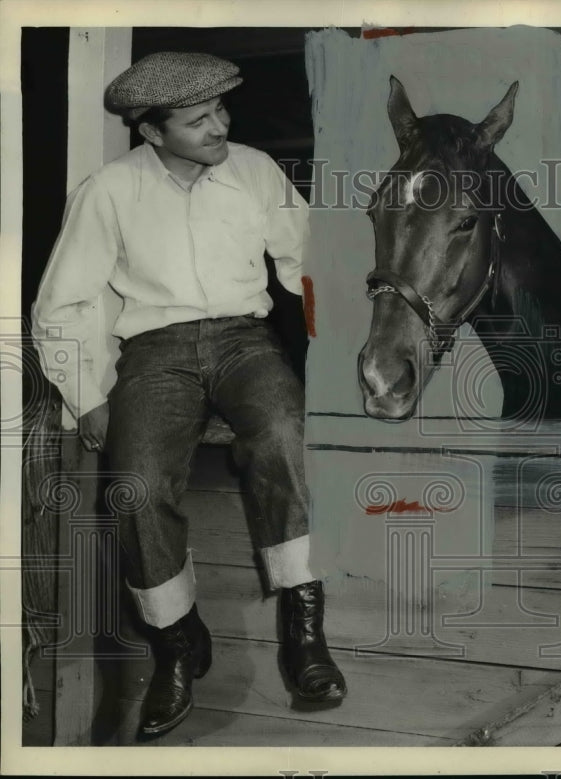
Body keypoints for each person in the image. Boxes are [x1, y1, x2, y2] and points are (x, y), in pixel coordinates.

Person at [31, 51, 345, 739]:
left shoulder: (256, 170)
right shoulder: (108, 191)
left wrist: (351, 341)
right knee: (136, 482)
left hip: (245, 341)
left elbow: (310, 264)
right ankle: (176, 641)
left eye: (222, 111)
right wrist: (87, 396)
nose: (219, 127)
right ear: (152, 131)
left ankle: (303, 624)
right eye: (199, 120)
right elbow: (60, 304)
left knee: (284, 430)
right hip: (155, 353)